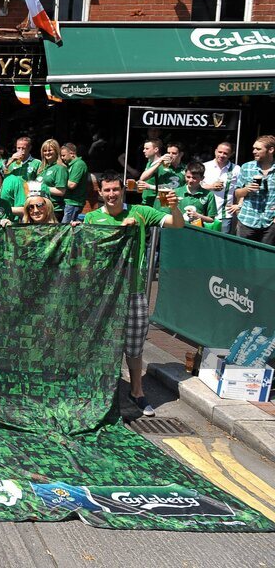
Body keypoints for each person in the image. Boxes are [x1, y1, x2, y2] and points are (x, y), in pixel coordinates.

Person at [83, 170, 185, 417]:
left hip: (134, 291)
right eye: (106, 190)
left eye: (115, 189)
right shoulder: (92, 218)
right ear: (100, 192)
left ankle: (136, 392)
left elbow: (177, 225)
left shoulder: (140, 212)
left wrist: (174, 207)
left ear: (122, 190)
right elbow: (89, 254)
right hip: (105, 293)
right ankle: (100, 394)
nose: (111, 194)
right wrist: (119, 228)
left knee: (135, 346)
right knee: (102, 344)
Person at [233, 135, 275, 244]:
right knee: (243, 255)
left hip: (270, 223)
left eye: (258, 149)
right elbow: (237, 193)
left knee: (265, 257)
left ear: (271, 150)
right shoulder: (246, 167)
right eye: (253, 148)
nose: (254, 151)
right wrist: (247, 189)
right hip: (247, 220)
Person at [157, 161, 217, 226]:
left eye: (194, 178)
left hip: (197, 232)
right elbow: (164, 214)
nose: (190, 180)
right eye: (188, 177)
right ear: (184, 175)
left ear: (202, 178)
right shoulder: (174, 192)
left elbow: (211, 219)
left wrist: (198, 216)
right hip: (176, 230)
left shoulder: (208, 195)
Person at [202, 141, 241, 234]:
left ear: (231, 154)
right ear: (215, 151)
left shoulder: (236, 169)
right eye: (220, 152)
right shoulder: (205, 166)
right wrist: (210, 187)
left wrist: (239, 205)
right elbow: (195, 186)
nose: (222, 155)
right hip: (204, 213)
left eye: (225, 153)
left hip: (225, 214)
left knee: (221, 244)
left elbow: (241, 189)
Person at [138, 138, 182, 207]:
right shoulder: (158, 164)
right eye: (168, 153)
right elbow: (142, 178)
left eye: (174, 153)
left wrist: (150, 187)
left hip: (174, 203)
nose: (170, 155)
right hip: (157, 203)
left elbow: (184, 188)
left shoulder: (185, 169)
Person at [33, 139, 68, 220]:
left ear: (56, 151)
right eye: (45, 150)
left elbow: (61, 192)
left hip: (54, 210)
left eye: (50, 150)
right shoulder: (42, 168)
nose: (47, 153)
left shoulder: (60, 168)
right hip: (40, 208)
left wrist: (42, 188)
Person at [60, 142, 90, 224]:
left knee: (66, 228)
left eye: (63, 155)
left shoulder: (79, 164)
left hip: (74, 203)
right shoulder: (70, 165)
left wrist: (58, 182)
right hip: (69, 202)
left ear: (72, 153)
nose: (62, 158)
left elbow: (72, 184)